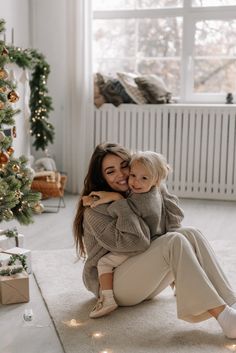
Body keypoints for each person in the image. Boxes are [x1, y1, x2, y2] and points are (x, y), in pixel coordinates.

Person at [73, 142, 236, 338]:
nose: (122, 175)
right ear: (101, 178)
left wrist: (156, 185)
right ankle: (225, 318)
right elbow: (138, 243)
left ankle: (231, 302)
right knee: (173, 241)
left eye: (125, 165)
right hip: (116, 287)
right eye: (110, 171)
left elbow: (169, 221)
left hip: (145, 282)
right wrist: (119, 202)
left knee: (191, 233)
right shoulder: (95, 210)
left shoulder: (139, 189)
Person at [87, 150, 184, 318]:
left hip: (140, 244)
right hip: (142, 251)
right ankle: (183, 286)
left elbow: (138, 241)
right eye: (133, 175)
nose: (134, 182)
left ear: (156, 180)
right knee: (181, 242)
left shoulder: (137, 199)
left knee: (104, 263)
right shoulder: (151, 190)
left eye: (124, 167)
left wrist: (116, 199)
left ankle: (107, 299)